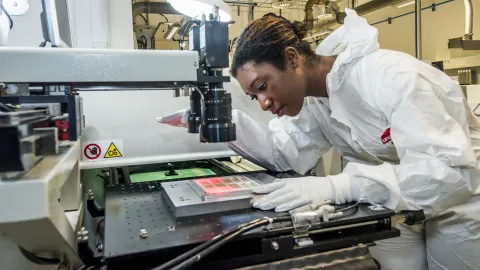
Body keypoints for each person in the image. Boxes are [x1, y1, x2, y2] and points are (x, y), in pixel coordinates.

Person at [158, 9, 480, 270]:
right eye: (254, 96)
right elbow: (284, 152)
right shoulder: (315, 101)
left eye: (262, 86)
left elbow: (449, 173)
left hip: (460, 204)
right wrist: (223, 123)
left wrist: (340, 186)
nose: (264, 103)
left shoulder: (390, 78)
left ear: (292, 58)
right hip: (392, 201)